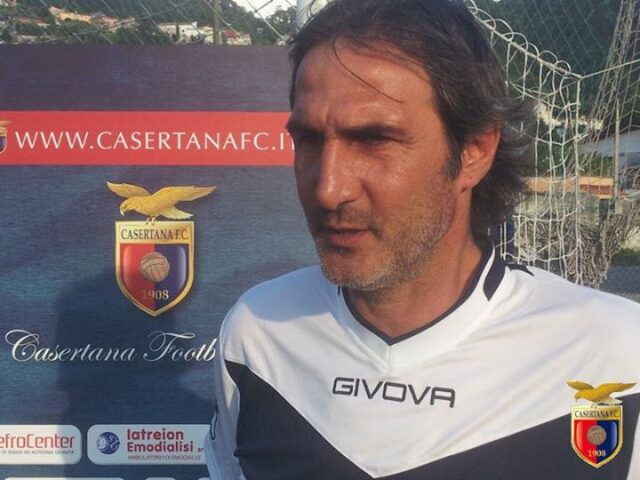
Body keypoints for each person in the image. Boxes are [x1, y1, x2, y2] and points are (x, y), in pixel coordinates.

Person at [205, 0, 640, 478]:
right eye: (308, 139)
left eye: (375, 140)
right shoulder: (257, 334)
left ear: (474, 151)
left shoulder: (616, 354)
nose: (329, 189)